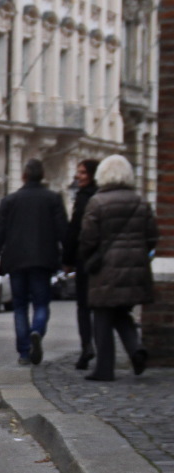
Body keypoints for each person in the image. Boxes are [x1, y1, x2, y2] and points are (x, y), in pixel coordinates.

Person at [77, 154, 158, 382]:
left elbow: (88, 238)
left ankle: (104, 367)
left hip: (105, 268)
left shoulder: (97, 202)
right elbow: (152, 236)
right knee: (121, 311)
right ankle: (135, 349)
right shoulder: (140, 202)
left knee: (102, 314)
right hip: (135, 267)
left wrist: (87, 258)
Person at [0, 158, 67, 365]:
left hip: (16, 260)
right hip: (43, 260)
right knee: (41, 303)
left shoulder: (10, 201)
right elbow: (64, 232)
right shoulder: (53, 199)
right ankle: (37, 331)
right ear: (43, 176)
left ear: (24, 176)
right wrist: (68, 258)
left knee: (19, 306)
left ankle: (24, 351)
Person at [62, 159, 99, 370]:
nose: (78, 176)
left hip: (86, 259)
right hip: (102, 259)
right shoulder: (100, 194)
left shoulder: (84, 198)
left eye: (83, 173)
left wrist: (68, 260)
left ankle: (87, 346)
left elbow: (74, 230)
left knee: (84, 307)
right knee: (100, 307)